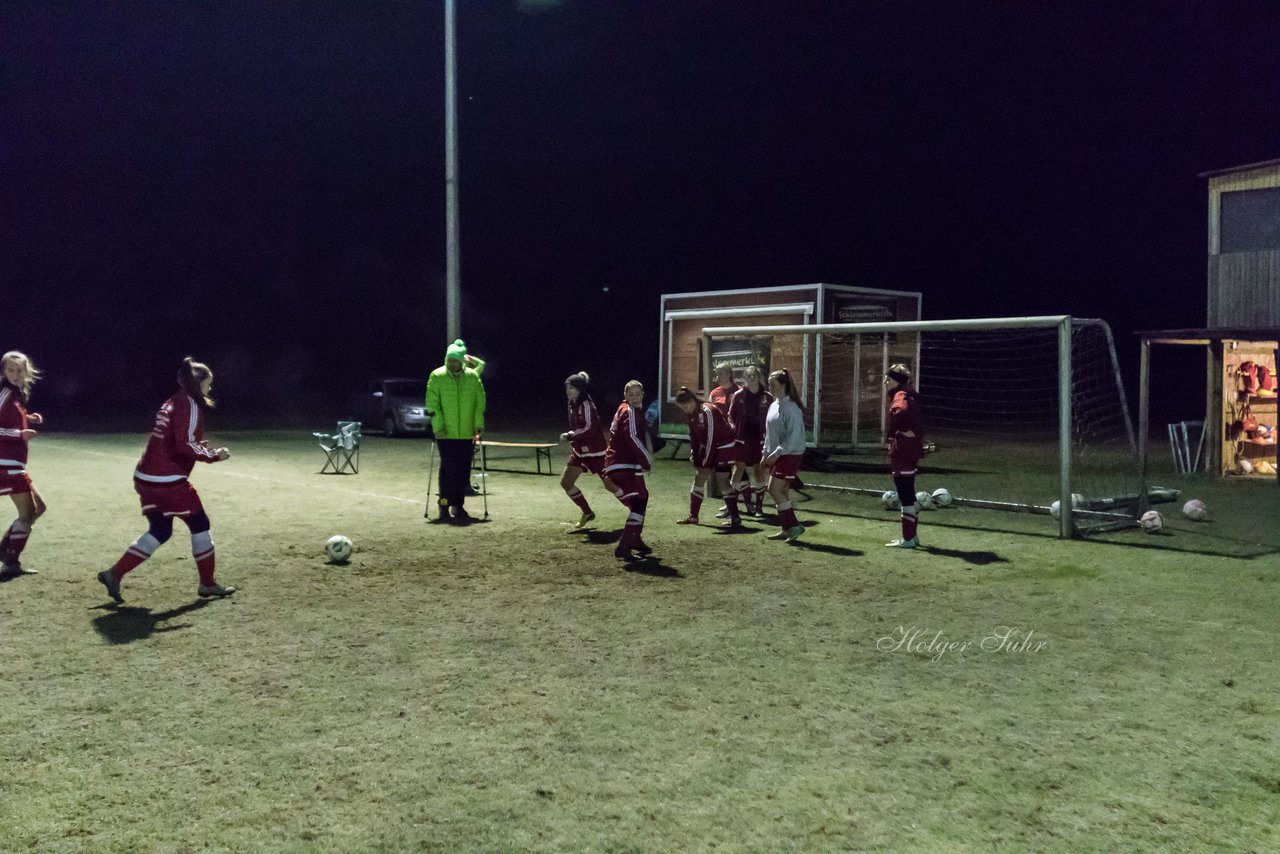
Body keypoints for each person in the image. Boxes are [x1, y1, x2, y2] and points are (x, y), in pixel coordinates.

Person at [97, 357, 235, 603]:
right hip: (166, 480)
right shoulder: (191, 404)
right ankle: (208, 584)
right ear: (199, 383)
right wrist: (214, 455)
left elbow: (176, 439)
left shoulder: (172, 401)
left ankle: (114, 573)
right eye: (208, 384)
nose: (210, 389)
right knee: (200, 524)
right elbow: (184, 445)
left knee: (160, 529)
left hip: (145, 477)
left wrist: (195, 446)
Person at [425, 339, 486, 523]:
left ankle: (458, 506)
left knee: (462, 470)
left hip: (466, 433)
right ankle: (443, 503)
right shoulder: (437, 376)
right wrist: (439, 427)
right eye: (449, 360)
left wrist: (478, 424)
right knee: (448, 469)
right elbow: (432, 404)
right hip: (446, 434)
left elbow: (479, 403)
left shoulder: (472, 377)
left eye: (455, 360)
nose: (452, 363)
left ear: (462, 361)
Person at [0, 351, 46, 577]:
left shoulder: (16, 395)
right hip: (5, 463)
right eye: (10, 370)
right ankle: (10, 562)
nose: (15, 374)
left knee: (39, 508)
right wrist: (20, 433)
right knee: (28, 514)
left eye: (19, 370)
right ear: (3, 371)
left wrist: (29, 418)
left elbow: (9, 418)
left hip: (16, 463)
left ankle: (5, 551)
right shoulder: (5, 393)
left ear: (26, 371)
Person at [559, 371, 622, 528]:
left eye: (572, 388)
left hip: (596, 452)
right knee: (566, 482)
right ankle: (587, 512)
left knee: (610, 486)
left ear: (580, 389)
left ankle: (636, 509)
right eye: (567, 388)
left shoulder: (586, 404)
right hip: (580, 452)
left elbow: (590, 428)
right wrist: (574, 438)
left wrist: (571, 434)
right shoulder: (571, 402)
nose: (568, 391)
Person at [673, 386, 741, 528]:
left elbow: (711, 438)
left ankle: (735, 518)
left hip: (724, 447)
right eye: (682, 408)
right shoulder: (691, 413)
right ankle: (693, 517)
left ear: (692, 400)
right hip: (711, 446)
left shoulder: (708, 410)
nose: (685, 410)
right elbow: (694, 436)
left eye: (686, 406)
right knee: (700, 476)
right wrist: (694, 452)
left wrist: (705, 460)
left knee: (722, 480)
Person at [604, 380, 653, 560]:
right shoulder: (629, 411)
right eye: (630, 394)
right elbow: (632, 437)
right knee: (639, 501)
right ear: (625, 396)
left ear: (643, 395)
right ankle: (624, 545)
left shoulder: (626, 410)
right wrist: (646, 459)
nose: (634, 398)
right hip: (623, 464)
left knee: (641, 499)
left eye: (637, 394)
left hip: (620, 463)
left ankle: (634, 539)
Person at [762, 369, 806, 542]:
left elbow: (794, 438)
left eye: (773, 384)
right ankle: (786, 529)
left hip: (790, 454)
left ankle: (794, 525)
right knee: (783, 491)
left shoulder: (792, 408)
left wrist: (776, 453)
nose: (769, 387)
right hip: (777, 454)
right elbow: (769, 433)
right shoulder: (774, 405)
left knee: (773, 489)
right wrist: (765, 453)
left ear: (783, 385)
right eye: (769, 384)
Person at [884, 363, 925, 548]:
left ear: (895, 380)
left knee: (905, 494)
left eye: (888, 379)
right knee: (908, 493)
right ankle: (912, 537)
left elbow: (900, 411)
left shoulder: (900, 396)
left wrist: (902, 431)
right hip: (910, 450)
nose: (885, 382)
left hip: (903, 451)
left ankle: (908, 539)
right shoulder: (909, 393)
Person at [727, 364, 773, 518]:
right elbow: (730, 416)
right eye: (749, 375)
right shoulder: (739, 395)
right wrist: (735, 430)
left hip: (759, 440)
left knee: (758, 469)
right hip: (742, 439)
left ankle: (759, 507)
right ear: (745, 378)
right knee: (738, 469)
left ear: (759, 377)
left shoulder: (767, 396)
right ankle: (732, 506)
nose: (752, 378)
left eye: (754, 375)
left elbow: (772, 418)